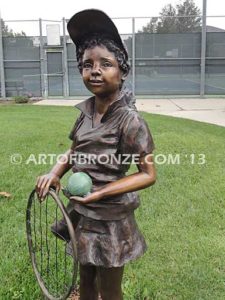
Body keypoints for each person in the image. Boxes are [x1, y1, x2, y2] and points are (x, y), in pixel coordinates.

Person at [36, 9, 156, 300]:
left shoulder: (130, 121)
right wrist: (55, 173)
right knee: (86, 277)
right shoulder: (85, 114)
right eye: (87, 65)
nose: (95, 70)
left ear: (122, 70)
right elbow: (73, 150)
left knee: (109, 287)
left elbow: (148, 174)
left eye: (106, 63)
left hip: (110, 218)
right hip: (83, 211)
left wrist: (100, 193)